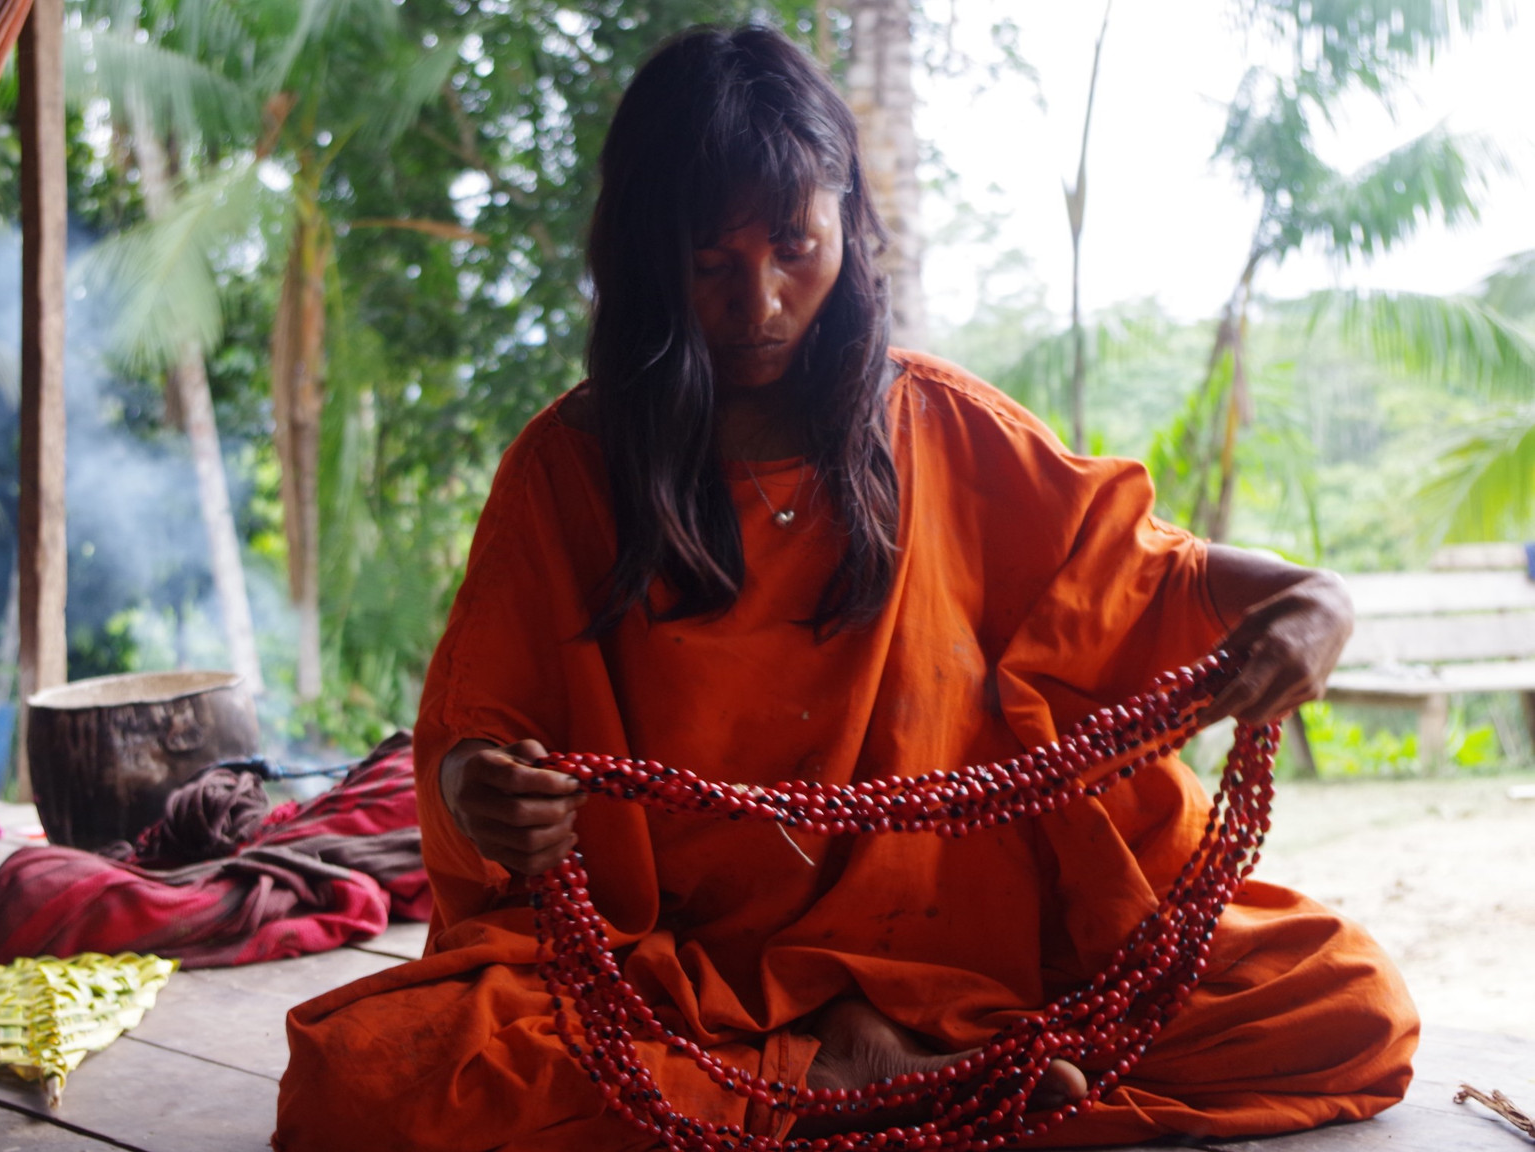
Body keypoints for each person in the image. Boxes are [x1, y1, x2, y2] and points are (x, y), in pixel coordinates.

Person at [274, 25, 1415, 1152]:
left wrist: (1321, 604)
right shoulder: (567, 468)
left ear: (848, 229)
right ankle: (875, 1084)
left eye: (793, 251)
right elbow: (482, 737)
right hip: (675, 977)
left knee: (1344, 1002)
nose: (758, 303)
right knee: (364, 1081)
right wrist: (490, 794)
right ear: (644, 258)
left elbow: (1145, 577)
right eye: (712, 265)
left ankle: (862, 1086)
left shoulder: (944, 425)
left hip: (964, 946)